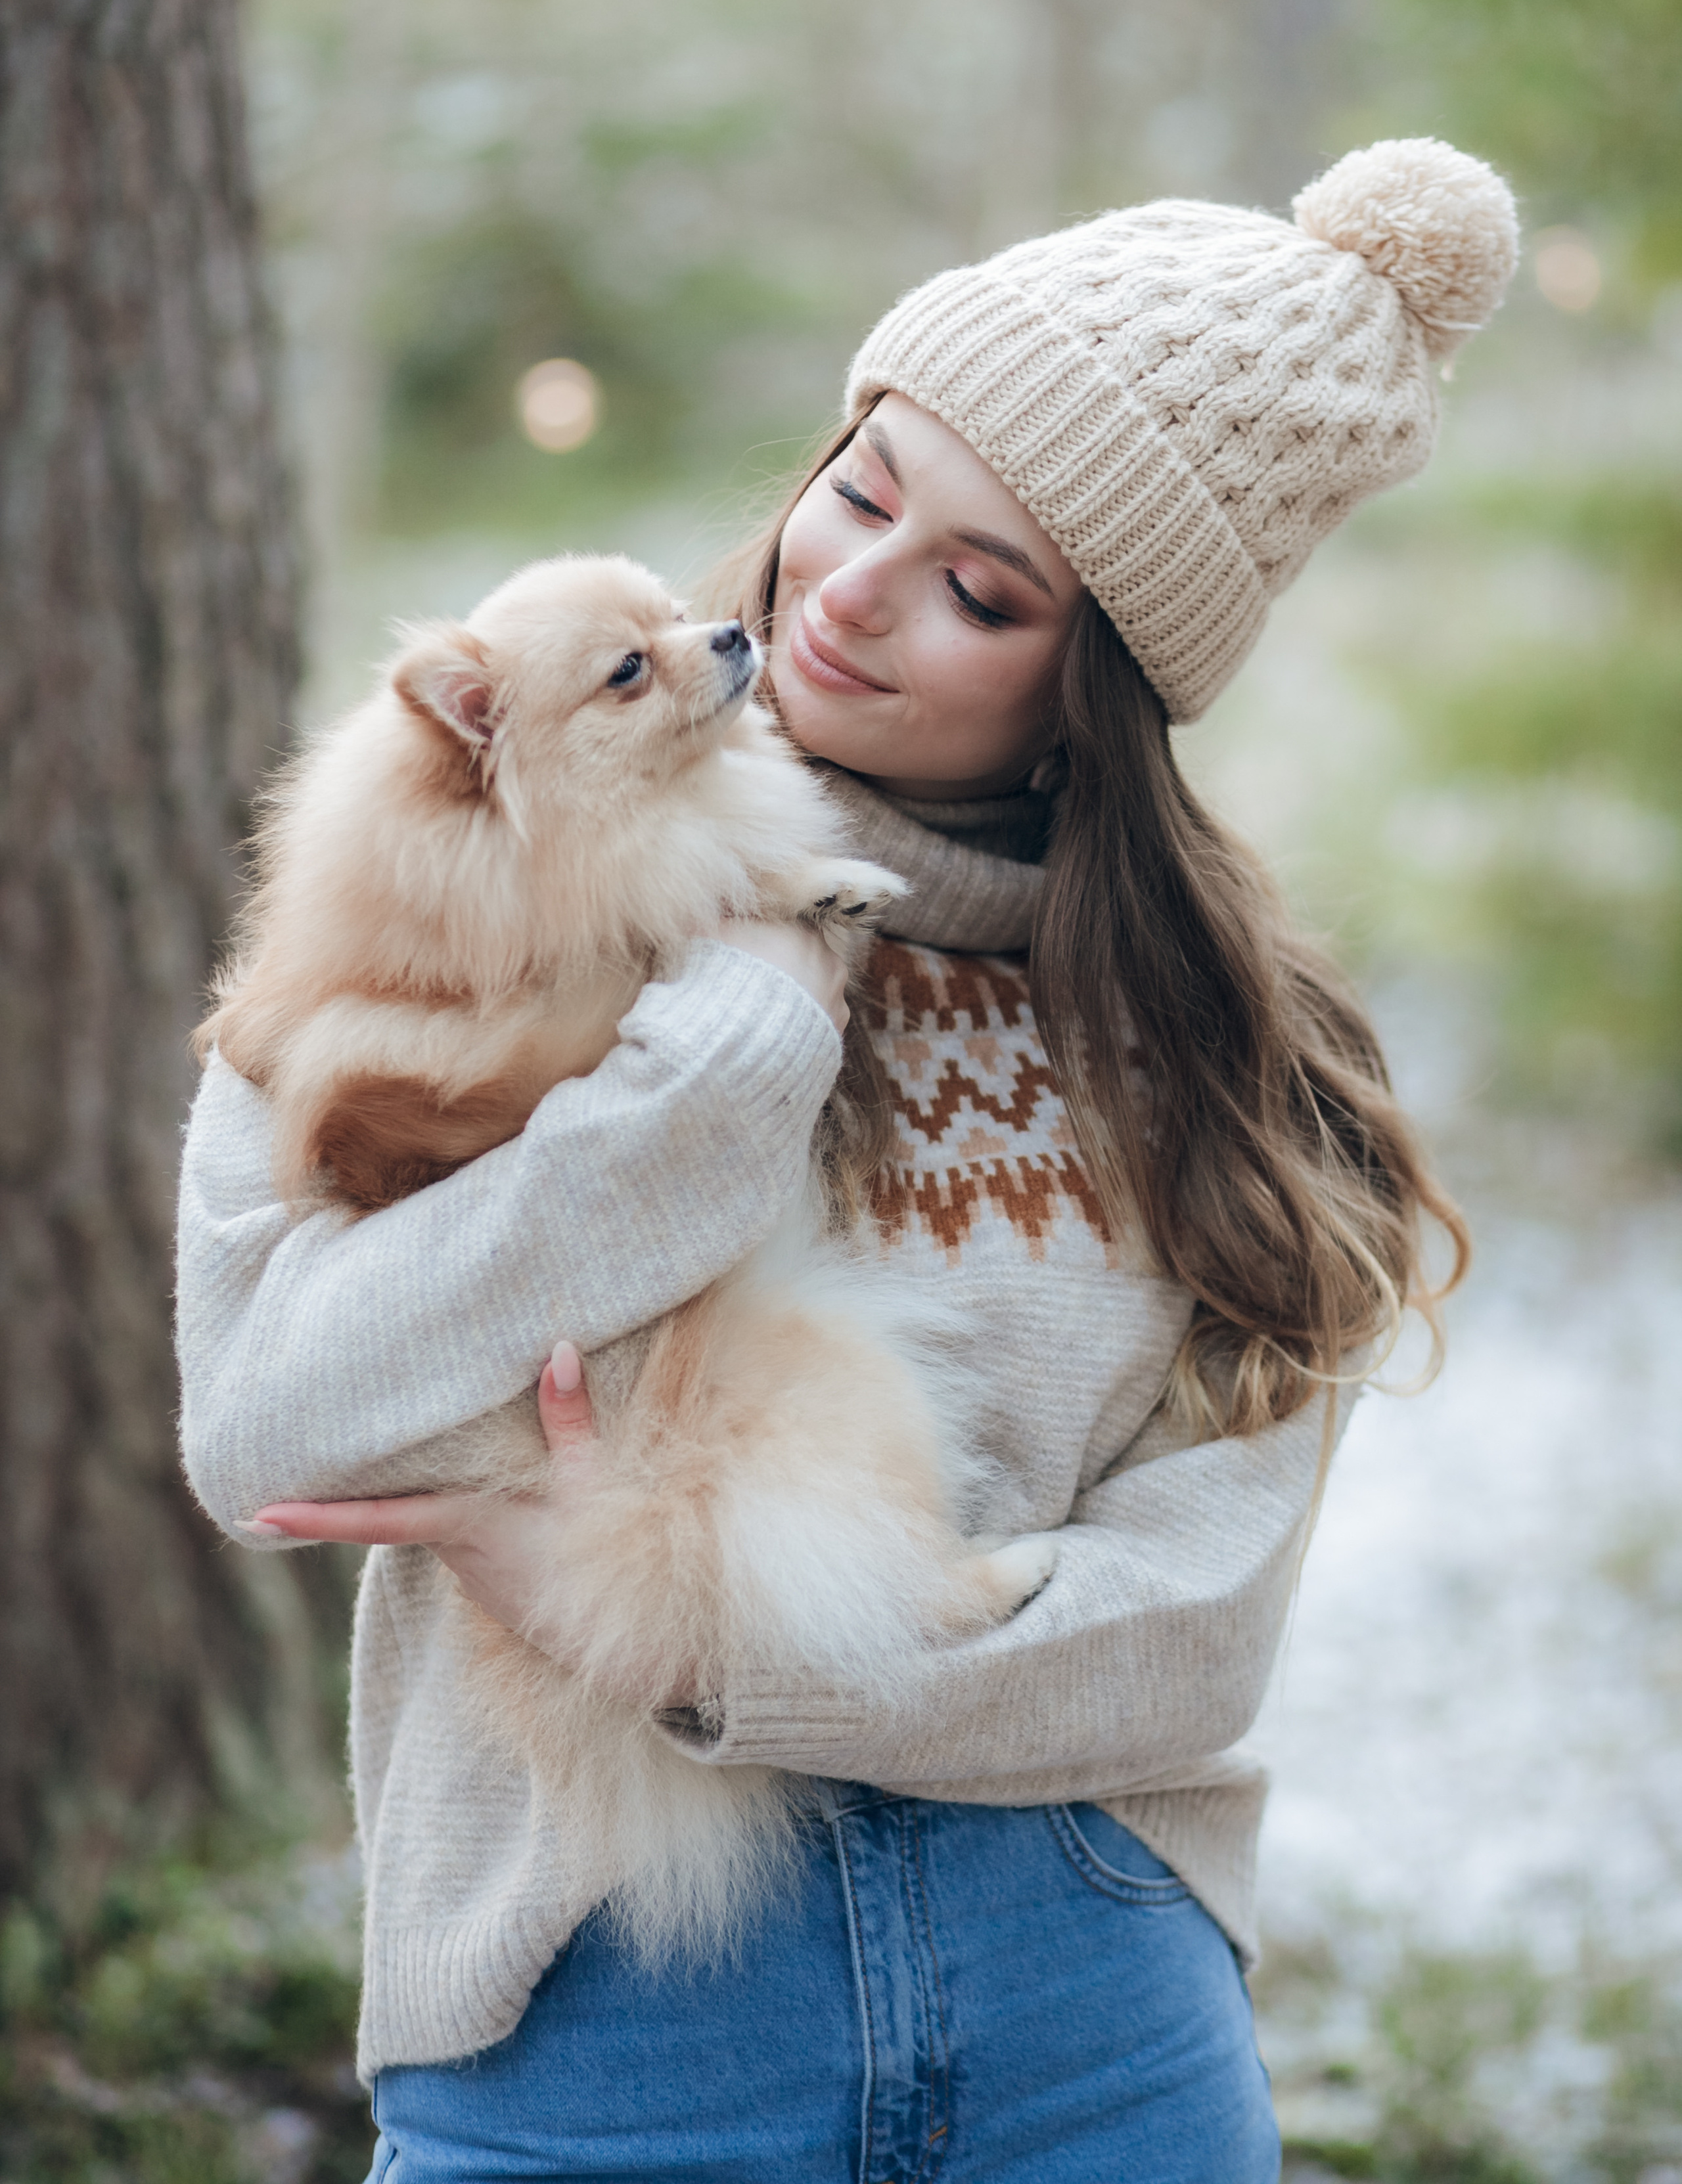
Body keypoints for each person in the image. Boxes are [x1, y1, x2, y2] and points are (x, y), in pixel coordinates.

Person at [177, 136, 1516, 2183]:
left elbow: (1189, 1634)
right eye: (863, 486)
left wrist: (698, 1640)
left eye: (982, 590)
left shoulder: (1233, 1050)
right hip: (596, 2031)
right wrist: (738, 1022)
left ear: (1102, 685)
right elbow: (271, 1422)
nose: (851, 592)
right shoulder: (442, 903)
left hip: (1096, 2037)